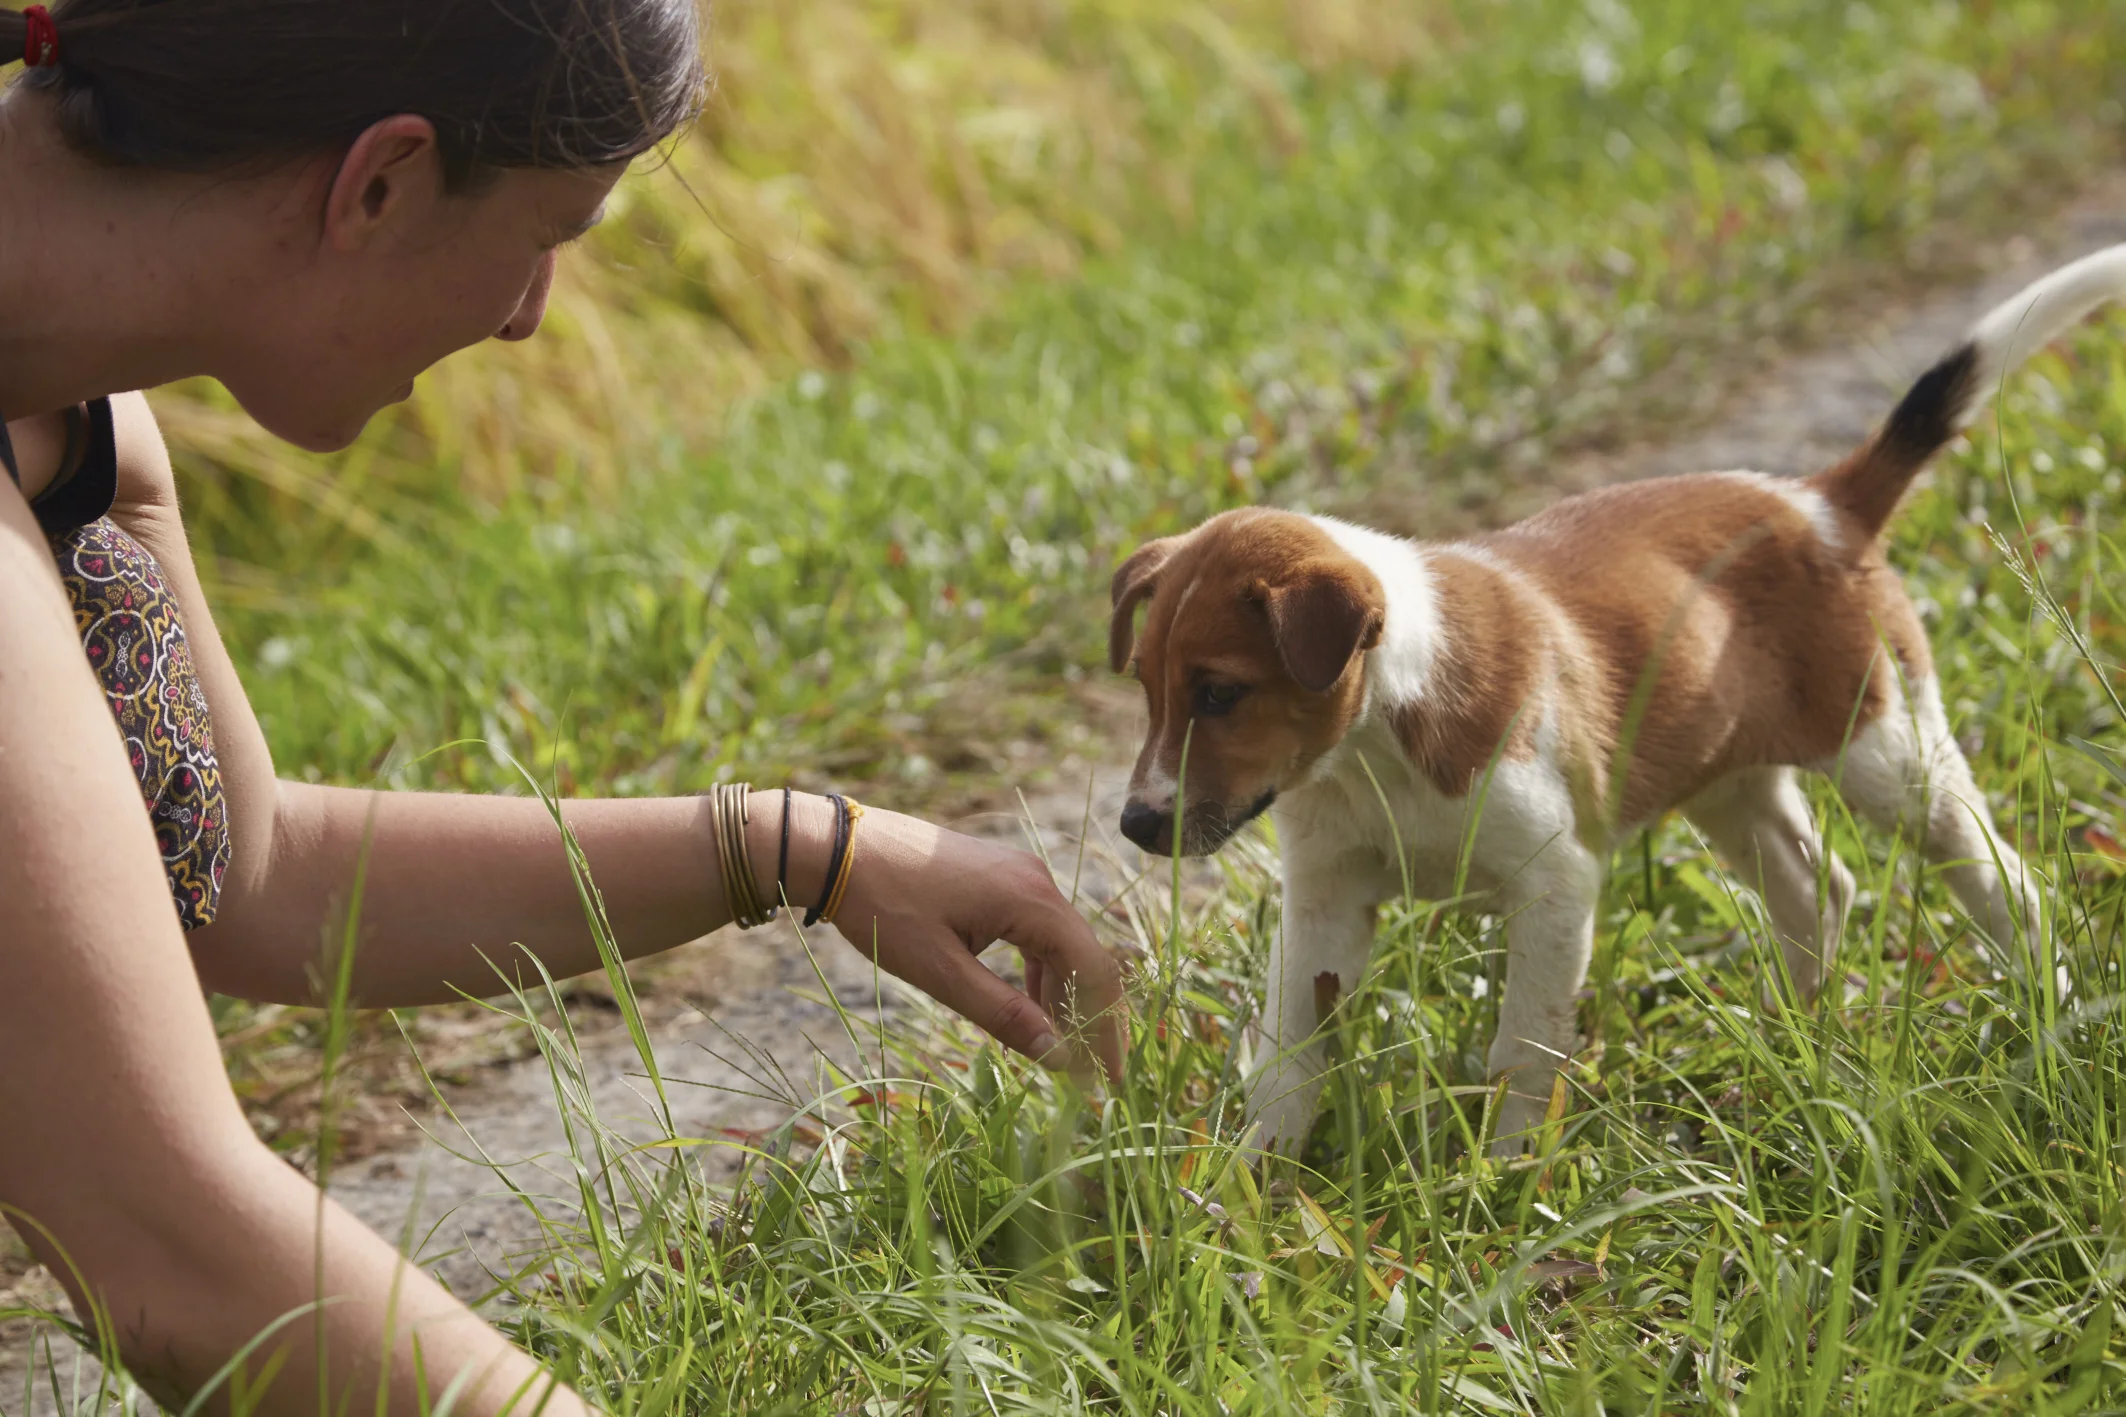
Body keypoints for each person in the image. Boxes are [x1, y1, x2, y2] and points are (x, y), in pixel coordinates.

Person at [0, 1, 1126, 1412]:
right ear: (384, 182)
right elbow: (167, 1247)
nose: (530, 316)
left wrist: (789, 849)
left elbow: (244, 871)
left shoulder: (81, 419)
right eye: (547, 233)